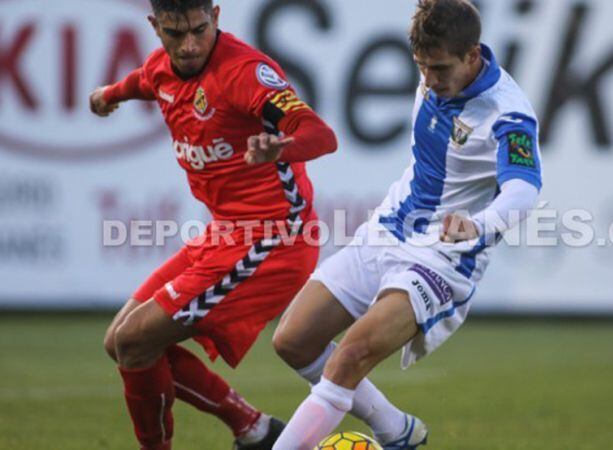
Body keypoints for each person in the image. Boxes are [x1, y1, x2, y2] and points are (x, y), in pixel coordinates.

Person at [271, 0, 543, 448]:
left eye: (440, 69)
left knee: (351, 355)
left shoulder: (509, 114)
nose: (430, 81)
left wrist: (479, 225)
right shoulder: (434, 76)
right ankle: (397, 430)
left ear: (473, 55)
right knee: (293, 340)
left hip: (442, 257)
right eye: (422, 68)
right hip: (388, 229)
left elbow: (524, 189)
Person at [89, 1, 337, 449]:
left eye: (199, 31)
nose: (188, 45)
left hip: (273, 239)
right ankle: (254, 428)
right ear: (154, 27)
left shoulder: (245, 73)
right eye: (174, 33)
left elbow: (321, 134)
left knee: (135, 342)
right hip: (225, 233)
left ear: (216, 17)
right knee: (120, 342)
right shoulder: (162, 67)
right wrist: (109, 94)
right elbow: (144, 82)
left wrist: (279, 147)